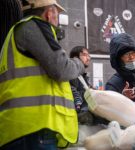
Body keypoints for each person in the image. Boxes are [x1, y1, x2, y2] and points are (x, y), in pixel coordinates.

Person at [0, 0, 85, 149]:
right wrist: (79, 63)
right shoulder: (33, 26)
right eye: (57, 14)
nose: (57, 19)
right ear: (49, 13)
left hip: (20, 129)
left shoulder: (14, 35)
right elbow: (61, 69)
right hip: (34, 128)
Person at [69, 46, 108, 125]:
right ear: (75, 58)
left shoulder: (82, 77)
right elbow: (73, 93)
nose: (88, 58)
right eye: (84, 55)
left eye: (88, 55)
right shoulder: (72, 74)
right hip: (79, 116)